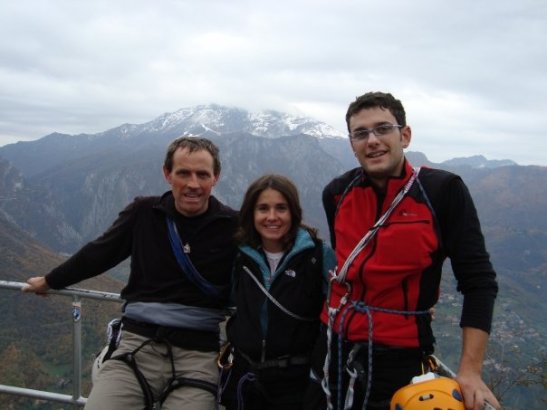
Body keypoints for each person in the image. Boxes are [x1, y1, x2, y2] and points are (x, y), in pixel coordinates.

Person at [304, 92, 500, 410]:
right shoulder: (337, 194)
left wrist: (470, 371)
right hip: (331, 346)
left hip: (399, 356)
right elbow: (347, 269)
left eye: (383, 128)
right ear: (352, 144)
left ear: (405, 136)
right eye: (361, 133)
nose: (372, 140)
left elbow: (478, 281)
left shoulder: (441, 192)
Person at [23, 136, 239, 410]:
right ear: (167, 174)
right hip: (137, 346)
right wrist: (50, 281)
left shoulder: (233, 226)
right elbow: (100, 253)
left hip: (198, 355)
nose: (193, 184)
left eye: (202, 175)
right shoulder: (144, 213)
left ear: (216, 177)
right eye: (183, 173)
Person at [219, 174, 336, 410]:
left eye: (281, 208)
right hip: (245, 379)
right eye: (263, 208)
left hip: (298, 384)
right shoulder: (239, 255)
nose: (272, 217)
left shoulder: (317, 256)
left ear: (293, 212)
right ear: (251, 213)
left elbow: (339, 309)